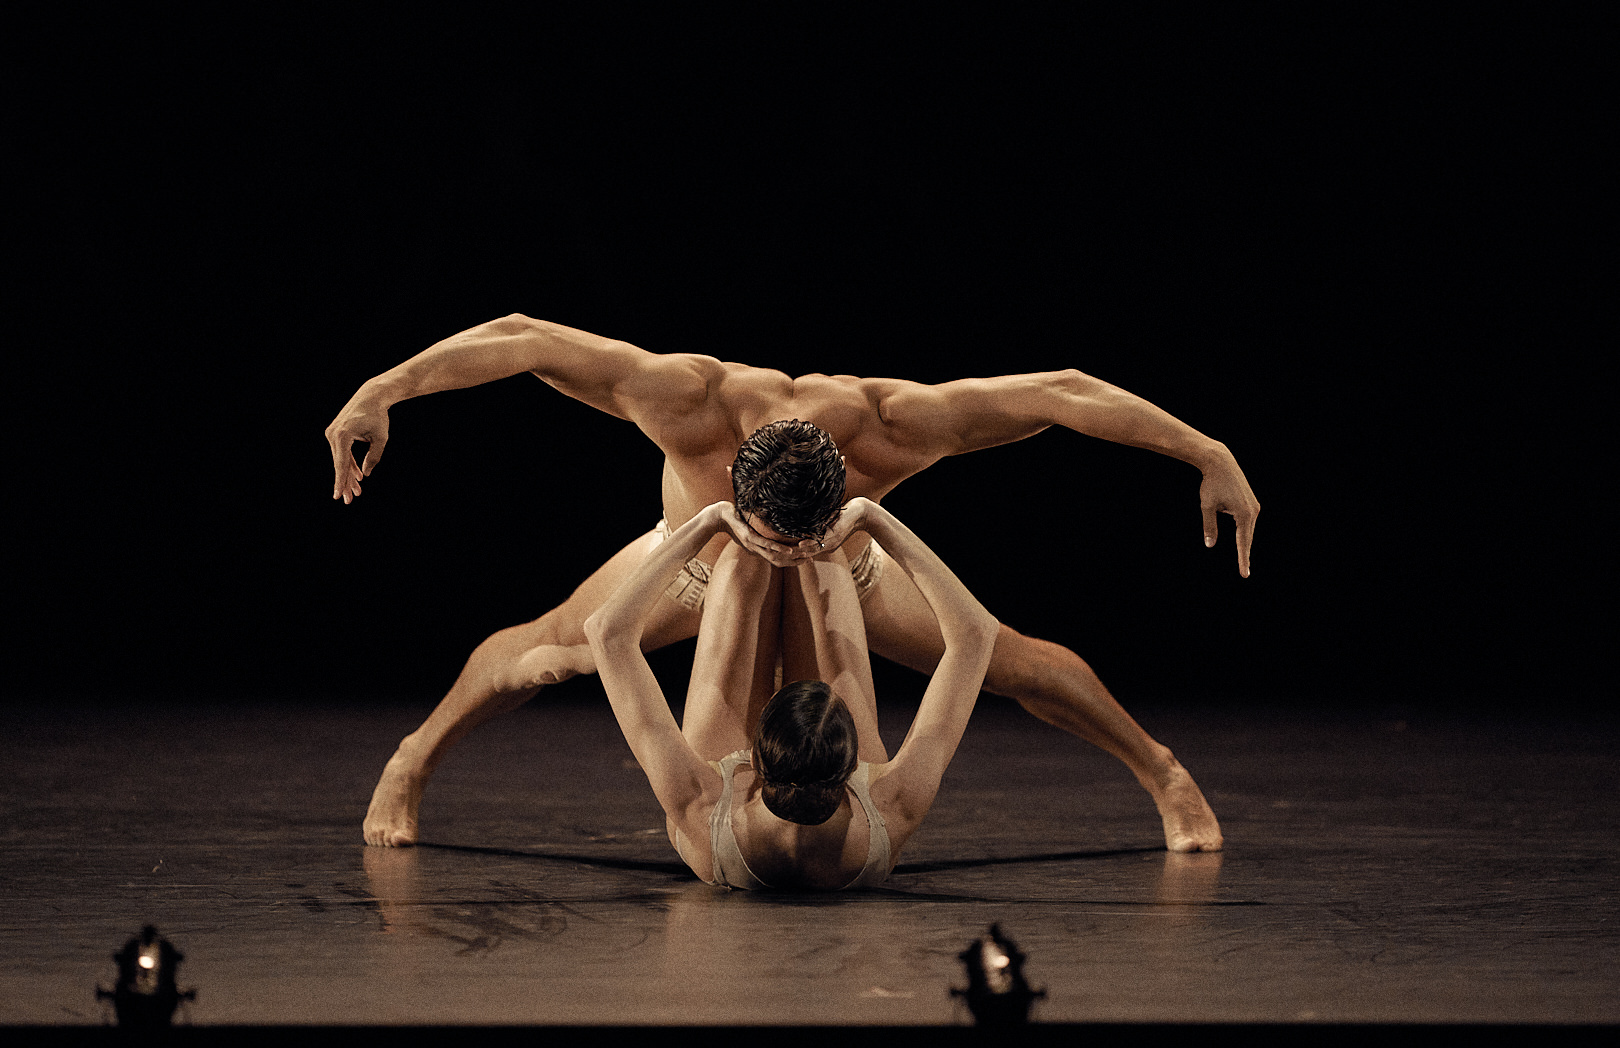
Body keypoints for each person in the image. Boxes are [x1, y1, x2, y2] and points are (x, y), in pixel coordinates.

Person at [326, 314, 1259, 853]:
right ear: (734, 478)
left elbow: (1060, 390)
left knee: (1011, 661)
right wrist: (385, 387)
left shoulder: (892, 424)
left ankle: (1164, 774)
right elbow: (524, 337)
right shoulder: (686, 401)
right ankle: (412, 758)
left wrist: (1205, 450)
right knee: (545, 653)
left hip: (846, 558)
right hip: (694, 549)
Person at [587, 496, 996, 889]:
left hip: (730, 836)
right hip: (844, 838)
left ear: (752, 757)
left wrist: (709, 521)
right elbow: (977, 635)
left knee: (742, 560)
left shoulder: (702, 805)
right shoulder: (891, 808)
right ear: (853, 767)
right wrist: (872, 517)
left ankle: (764, 533)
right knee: (824, 558)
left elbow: (607, 633)